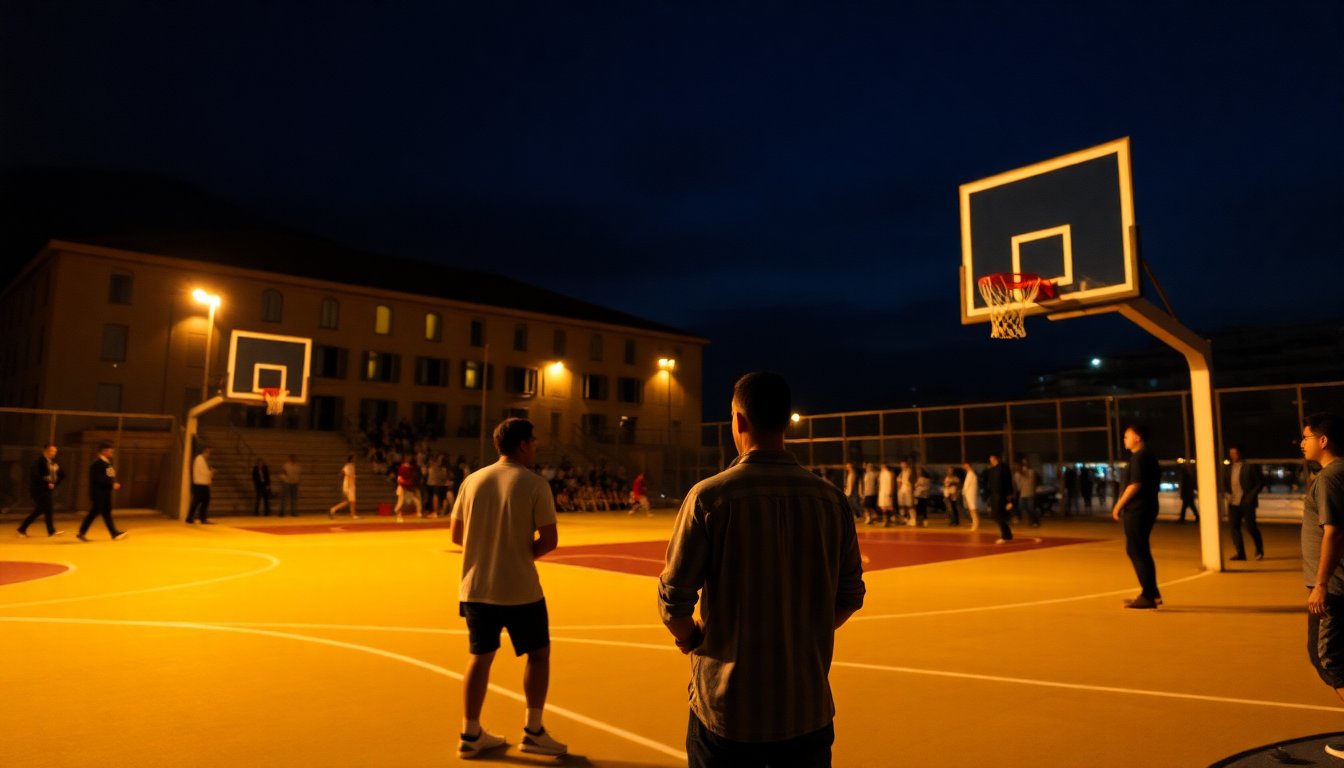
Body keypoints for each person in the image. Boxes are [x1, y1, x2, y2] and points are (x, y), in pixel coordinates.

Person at [659, 372, 865, 767]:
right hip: (806, 709)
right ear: (787, 421)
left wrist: (693, 636)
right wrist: (805, 631)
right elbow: (851, 596)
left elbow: (674, 601)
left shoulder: (710, 497)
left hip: (728, 711)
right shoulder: (831, 500)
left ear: (738, 421)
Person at [450, 418, 566, 759]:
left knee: (480, 658)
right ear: (523, 445)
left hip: (475, 587)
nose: (536, 447)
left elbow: (457, 535)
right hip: (519, 589)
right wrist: (518, 553)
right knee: (539, 654)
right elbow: (549, 539)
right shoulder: (533, 484)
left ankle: (470, 733)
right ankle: (533, 731)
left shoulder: (472, 481)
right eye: (534, 441)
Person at [1298, 413, 1344, 761]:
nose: (1303, 443)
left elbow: (1333, 532)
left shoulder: (1329, 478)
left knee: (1328, 658)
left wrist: (1321, 584)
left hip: (1335, 586)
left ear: (1323, 440)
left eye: (1307, 437)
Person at [1113, 424, 1161, 610]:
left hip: (1139, 509)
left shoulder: (1140, 457)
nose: (1124, 439)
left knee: (1136, 550)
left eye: (1127, 436)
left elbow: (1135, 484)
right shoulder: (1143, 456)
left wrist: (1119, 505)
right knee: (1139, 549)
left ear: (1137, 438)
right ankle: (1152, 592)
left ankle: (1148, 595)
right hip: (1144, 508)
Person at [1222, 445, 1265, 561]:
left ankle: (1259, 550)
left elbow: (1259, 483)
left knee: (1251, 527)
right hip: (1233, 503)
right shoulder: (1228, 468)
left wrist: (1250, 497)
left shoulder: (1249, 467)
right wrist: (1226, 494)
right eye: (1231, 453)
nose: (1232, 456)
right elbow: (1224, 484)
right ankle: (1240, 553)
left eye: (1235, 453)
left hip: (1247, 502)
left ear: (1240, 454)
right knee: (1234, 528)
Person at [78, 442, 127, 541]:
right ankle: (113, 533)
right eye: (110, 450)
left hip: (104, 493)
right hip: (99, 493)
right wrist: (111, 484)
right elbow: (97, 478)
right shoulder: (97, 463)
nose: (112, 452)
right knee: (98, 513)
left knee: (103, 513)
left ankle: (113, 533)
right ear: (104, 451)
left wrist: (111, 484)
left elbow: (107, 476)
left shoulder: (107, 463)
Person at [18, 443, 65, 537]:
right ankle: (50, 531)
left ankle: (22, 529)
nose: (54, 453)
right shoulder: (38, 461)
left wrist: (54, 483)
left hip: (47, 490)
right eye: (52, 451)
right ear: (46, 451)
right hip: (38, 490)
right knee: (46, 509)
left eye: (55, 451)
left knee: (43, 510)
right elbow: (35, 475)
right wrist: (47, 482)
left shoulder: (53, 462)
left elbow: (62, 475)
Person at [985, 453, 1015, 543]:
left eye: (992, 458)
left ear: (996, 458)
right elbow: (990, 484)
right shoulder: (991, 470)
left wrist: (1009, 497)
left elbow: (1008, 482)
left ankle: (1005, 535)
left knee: (999, 515)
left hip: (1001, 495)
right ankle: (1007, 534)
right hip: (994, 495)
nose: (990, 459)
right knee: (995, 515)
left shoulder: (1003, 468)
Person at [187, 446, 214, 525]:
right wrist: (211, 473)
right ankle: (199, 517)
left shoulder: (201, 460)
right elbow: (204, 473)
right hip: (200, 485)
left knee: (199, 501)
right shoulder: (199, 460)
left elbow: (205, 473)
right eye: (208, 453)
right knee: (200, 501)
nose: (209, 455)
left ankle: (193, 517)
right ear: (204, 452)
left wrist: (210, 475)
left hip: (201, 484)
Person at [328, 455, 359, 519]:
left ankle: (333, 510)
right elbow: (345, 474)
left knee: (349, 502)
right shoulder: (349, 466)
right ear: (351, 459)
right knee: (351, 501)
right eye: (354, 458)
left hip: (350, 486)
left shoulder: (351, 466)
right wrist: (347, 488)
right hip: (349, 486)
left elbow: (343, 472)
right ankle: (352, 515)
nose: (355, 460)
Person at [393, 456, 422, 522]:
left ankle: (398, 510)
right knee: (403, 499)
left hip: (410, 485)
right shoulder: (408, 468)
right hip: (407, 485)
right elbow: (400, 478)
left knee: (414, 499)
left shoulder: (411, 468)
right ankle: (398, 510)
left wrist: (403, 482)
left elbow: (401, 478)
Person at [1015, 459, 1041, 527]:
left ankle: (1035, 521)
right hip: (1023, 494)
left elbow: (1027, 473)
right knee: (1021, 506)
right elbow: (1019, 486)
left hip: (1030, 493)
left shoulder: (1031, 472)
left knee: (1031, 508)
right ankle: (1030, 519)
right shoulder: (1017, 475)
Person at [1176, 458, 1199, 523]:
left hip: (1187, 495)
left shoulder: (1185, 477)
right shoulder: (1188, 476)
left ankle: (1183, 518)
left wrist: (1182, 494)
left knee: (1189, 507)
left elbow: (1184, 487)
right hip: (1189, 494)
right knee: (1189, 506)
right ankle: (1184, 518)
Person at [961, 462, 981, 531]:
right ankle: (974, 523)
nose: (964, 467)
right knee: (971, 509)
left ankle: (976, 524)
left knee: (973, 509)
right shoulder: (970, 474)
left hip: (971, 494)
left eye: (965, 466)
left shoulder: (971, 474)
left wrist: (963, 491)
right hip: (969, 494)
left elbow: (966, 485)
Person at [877, 463, 895, 527]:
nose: (881, 468)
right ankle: (885, 521)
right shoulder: (881, 474)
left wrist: (890, 491)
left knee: (888, 507)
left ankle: (890, 519)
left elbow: (891, 483)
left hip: (887, 492)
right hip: (882, 493)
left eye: (882, 466)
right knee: (883, 507)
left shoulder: (889, 473)